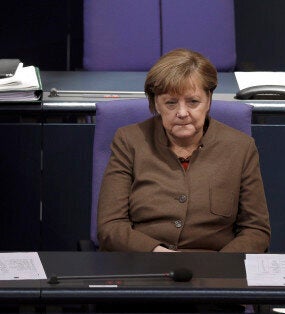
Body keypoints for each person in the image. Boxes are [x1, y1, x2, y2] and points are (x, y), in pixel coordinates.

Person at [97, 48, 271, 253]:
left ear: (208, 100)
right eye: (170, 103)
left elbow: (256, 230)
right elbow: (110, 226)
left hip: (214, 270)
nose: (182, 113)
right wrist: (156, 253)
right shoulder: (129, 141)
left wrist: (221, 266)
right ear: (155, 104)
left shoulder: (241, 147)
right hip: (143, 263)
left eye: (193, 102)